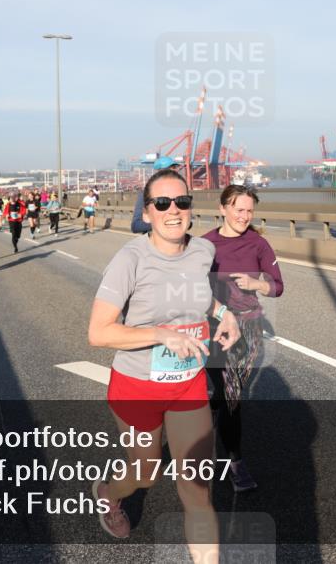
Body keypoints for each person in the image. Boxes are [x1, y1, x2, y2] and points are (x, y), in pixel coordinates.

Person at [88, 169, 240, 557]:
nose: (174, 210)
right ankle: (108, 493)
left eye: (182, 202)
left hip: (188, 385)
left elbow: (198, 295)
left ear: (191, 208)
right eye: (163, 203)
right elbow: (100, 332)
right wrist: (161, 334)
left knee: (198, 491)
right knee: (145, 473)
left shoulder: (202, 251)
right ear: (149, 211)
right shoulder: (130, 259)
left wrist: (224, 313)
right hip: (136, 388)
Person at [202, 185, 284, 492]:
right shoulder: (204, 244)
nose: (244, 216)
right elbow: (189, 287)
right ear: (223, 208)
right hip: (211, 328)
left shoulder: (258, 244)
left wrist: (256, 284)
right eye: (239, 210)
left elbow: (278, 286)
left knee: (230, 396)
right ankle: (220, 453)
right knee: (221, 394)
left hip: (247, 331)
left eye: (249, 211)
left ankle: (234, 461)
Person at [132, 156, 179, 233]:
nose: (175, 170)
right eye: (171, 168)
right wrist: (163, 224)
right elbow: (136, 226)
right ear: (160, 172)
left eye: (175, 167)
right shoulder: (145, 194)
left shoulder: (179, 193)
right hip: (154, 242)